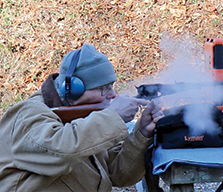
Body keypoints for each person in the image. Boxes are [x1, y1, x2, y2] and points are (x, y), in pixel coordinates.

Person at [0, 44, 163, 191]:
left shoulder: (87, 121)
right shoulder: (28, 113)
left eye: (111, 86)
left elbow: (118, 174)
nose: (112, 94)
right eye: (103, 88)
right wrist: (113, 117)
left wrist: (142, 132)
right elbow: (59, 151)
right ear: (74, 89)